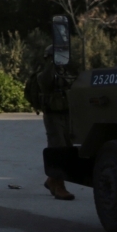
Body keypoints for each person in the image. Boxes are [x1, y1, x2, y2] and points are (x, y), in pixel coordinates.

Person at [37, 45, 75, 200]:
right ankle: (59, 186)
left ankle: (52, 180)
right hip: (53, 116)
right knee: (57, 149)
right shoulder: (44, 73)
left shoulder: (65, 72)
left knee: (68, 149)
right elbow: (45, 82)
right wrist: (54, 64)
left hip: (67, 114)